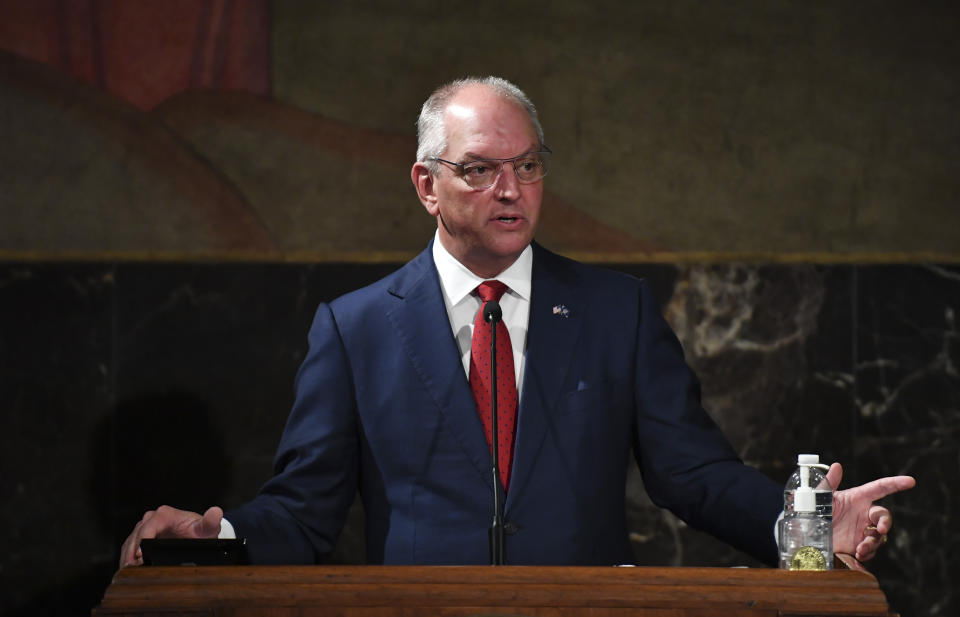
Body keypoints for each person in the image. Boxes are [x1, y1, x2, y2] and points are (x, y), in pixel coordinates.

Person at [120, 76, 914, 568]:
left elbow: (694, 475)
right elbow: (303, 509)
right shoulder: (354, 328)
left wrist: (800, 526)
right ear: (427, 186)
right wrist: (212, 544)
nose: (511, 189)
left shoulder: (617, 313)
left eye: (527, 165)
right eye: (480, 170)